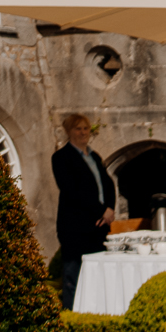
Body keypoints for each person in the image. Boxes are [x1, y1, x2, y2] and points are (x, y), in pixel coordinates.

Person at [50, 113, 115, 310]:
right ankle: (71, 317)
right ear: (69, 132)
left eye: (86, 128)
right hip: (75, 229)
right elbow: (72, 191)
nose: (83, 132)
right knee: (74, 277)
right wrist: (101, 210)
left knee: (97, 276)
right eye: (78, 129)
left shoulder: (94, 156)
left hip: (98, 227)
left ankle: (95, 314)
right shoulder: (61, 158)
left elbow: (108, 184)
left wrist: (110, 209)